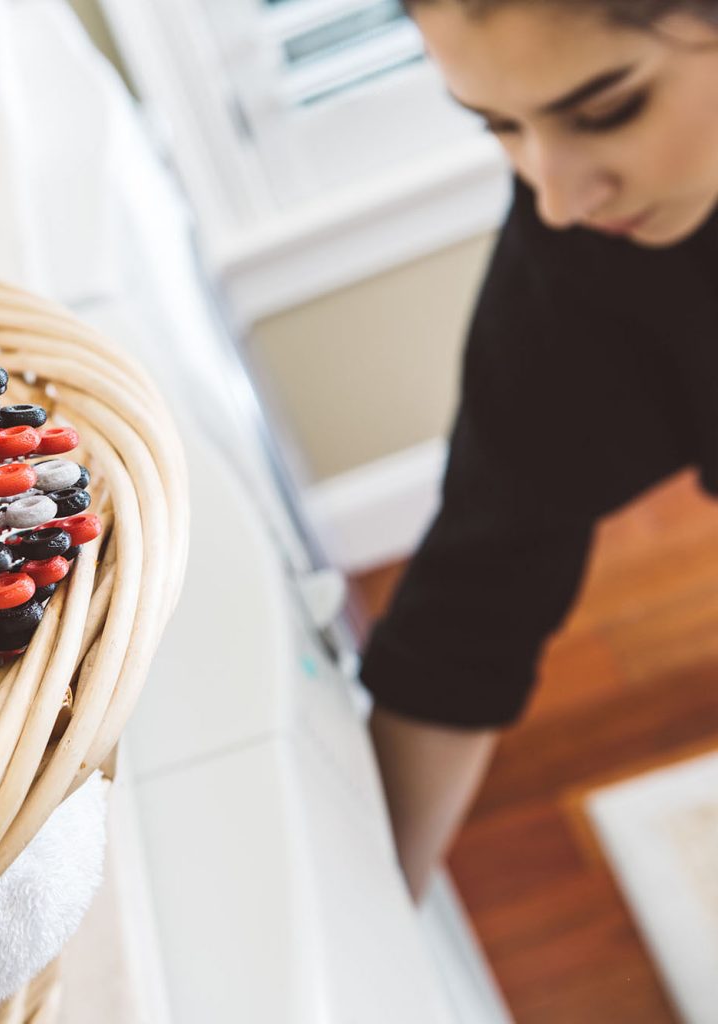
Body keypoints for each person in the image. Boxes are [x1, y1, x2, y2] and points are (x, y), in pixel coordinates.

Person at [361, 0, 718, 901]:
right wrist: (370, 913)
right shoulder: (583, 267)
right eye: (501, 127)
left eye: (607, 111)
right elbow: (475, 596)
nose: (559, 195)